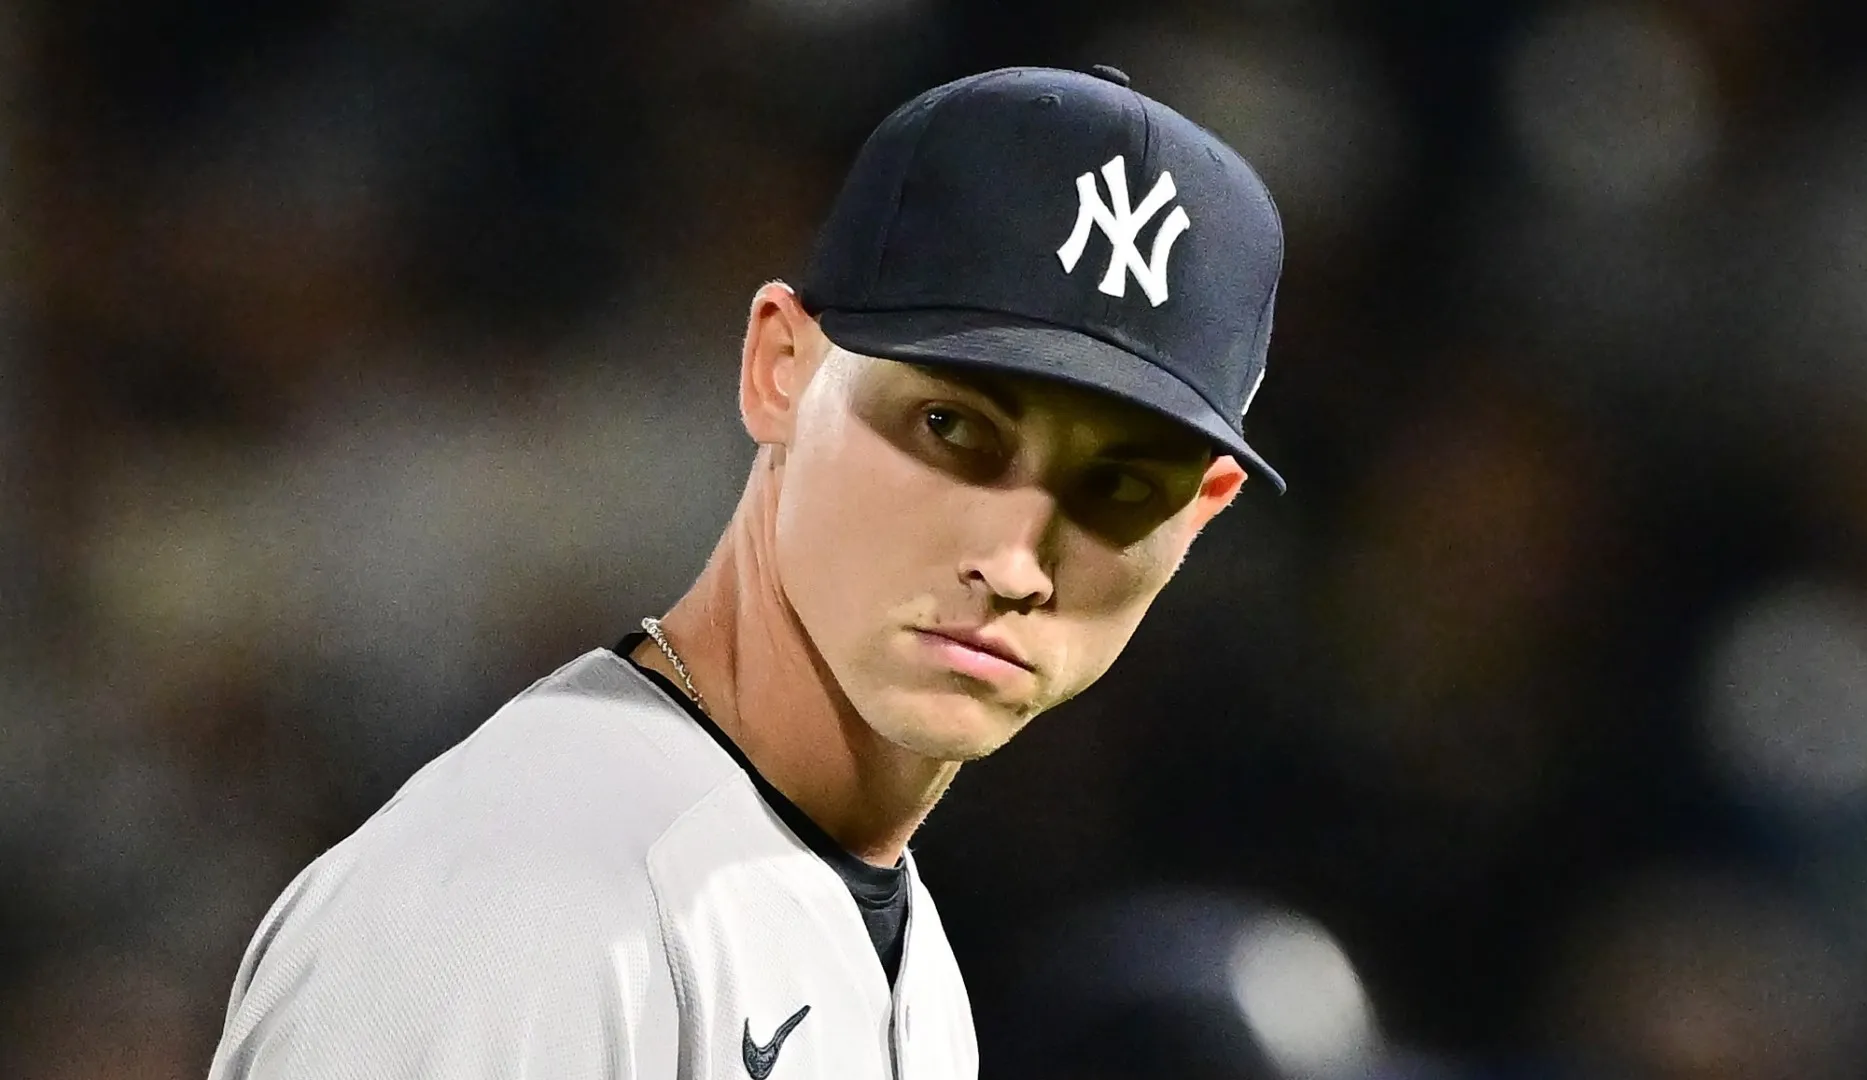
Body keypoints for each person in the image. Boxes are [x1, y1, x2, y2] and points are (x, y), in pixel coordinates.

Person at [206, 63, 1287, 1079]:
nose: (1014, 563)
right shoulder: (514, 900)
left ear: (1201, 515)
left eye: (1120, 487)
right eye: (953, 426)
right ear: (780, 367)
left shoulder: (885, 939)